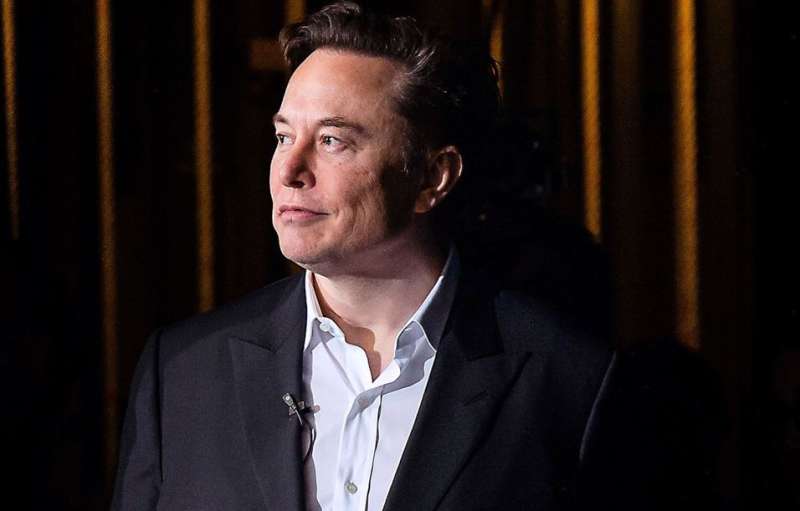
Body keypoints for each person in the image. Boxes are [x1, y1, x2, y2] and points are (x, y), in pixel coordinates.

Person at [110, 2, 657, 510]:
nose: (289, 171)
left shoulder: (569, 380)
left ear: (433, 177)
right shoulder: (182, 373)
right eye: (283, 137)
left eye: (332, 141)